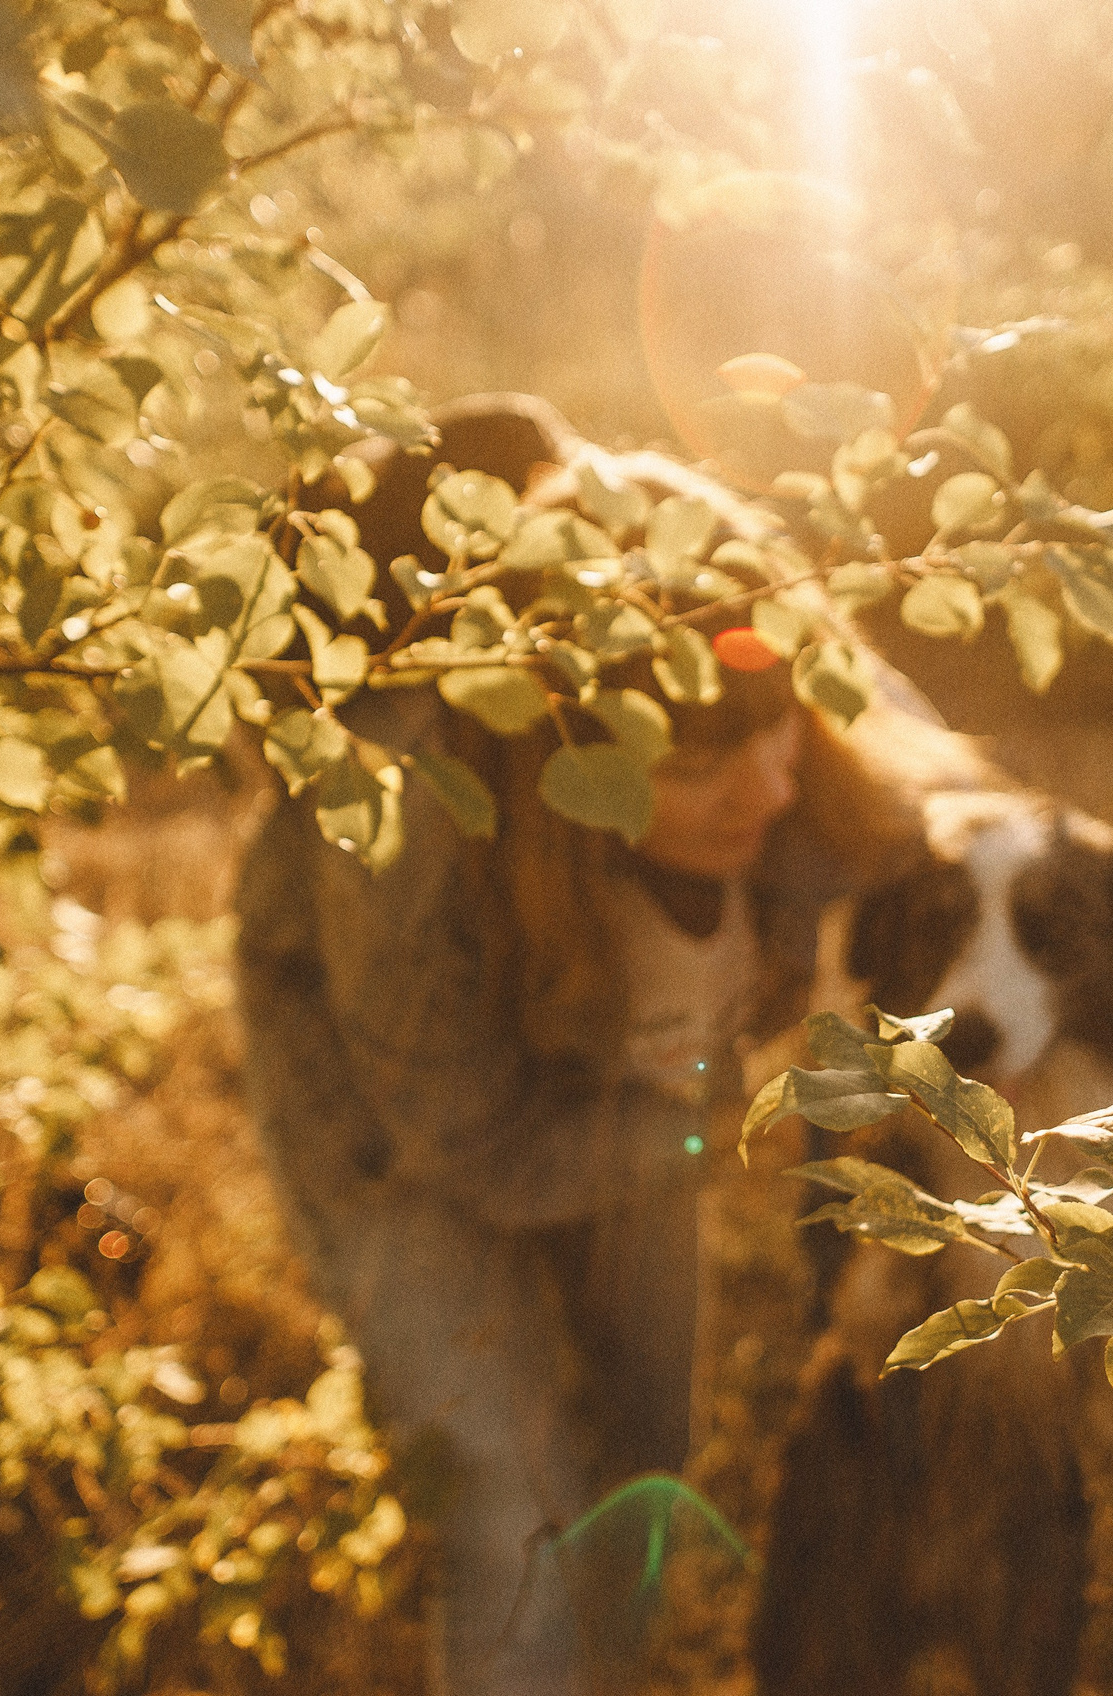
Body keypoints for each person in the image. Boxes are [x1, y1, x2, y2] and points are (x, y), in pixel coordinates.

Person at [233, 454, 939, 1694]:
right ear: (564, 754)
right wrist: (688, 1129)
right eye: (701, 764)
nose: (771, 788)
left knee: (644, 1436)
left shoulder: (781, 747)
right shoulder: (408, 831)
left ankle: (606, 1665)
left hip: (632, 1102)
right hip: (394, 1123)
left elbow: (919, 806)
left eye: (781, 732)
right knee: (509, 1489)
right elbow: (466, 1137)